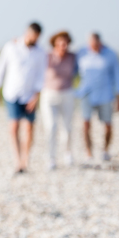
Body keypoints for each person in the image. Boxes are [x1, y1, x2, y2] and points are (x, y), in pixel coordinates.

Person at [0, 22, 47, 173]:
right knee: (13, 127)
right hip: (12, 92)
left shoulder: (40, 52)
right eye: (31, 35)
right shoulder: (11, 46)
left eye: (36, 37)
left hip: (30, 94)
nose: (33, 39)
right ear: (27, 33)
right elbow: (0, 68)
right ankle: (17, 161)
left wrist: (36, 96)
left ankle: (25, 160)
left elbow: (41, 76)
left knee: (29, 128)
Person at [76, 32, 119, 162]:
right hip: (86, 93)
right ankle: (88, 152)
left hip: (106, 94)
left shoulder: (110, 54)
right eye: (91, 45)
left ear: (100, 43)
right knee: (86, 123)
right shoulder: (81, 53)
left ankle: (105, 150)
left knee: (108, 124)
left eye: (96, 45)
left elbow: (118, 76)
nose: (94, 48)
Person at [40, 31, 77, 170]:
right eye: (60, 42)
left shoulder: (73, 57)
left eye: (66, 42)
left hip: (67, 93)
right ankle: (51, 157)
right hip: (49, 94)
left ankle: (68, 153)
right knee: (51, 126)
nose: (63, 45)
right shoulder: (47, 56)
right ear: (54, 43)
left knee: (67, 126)